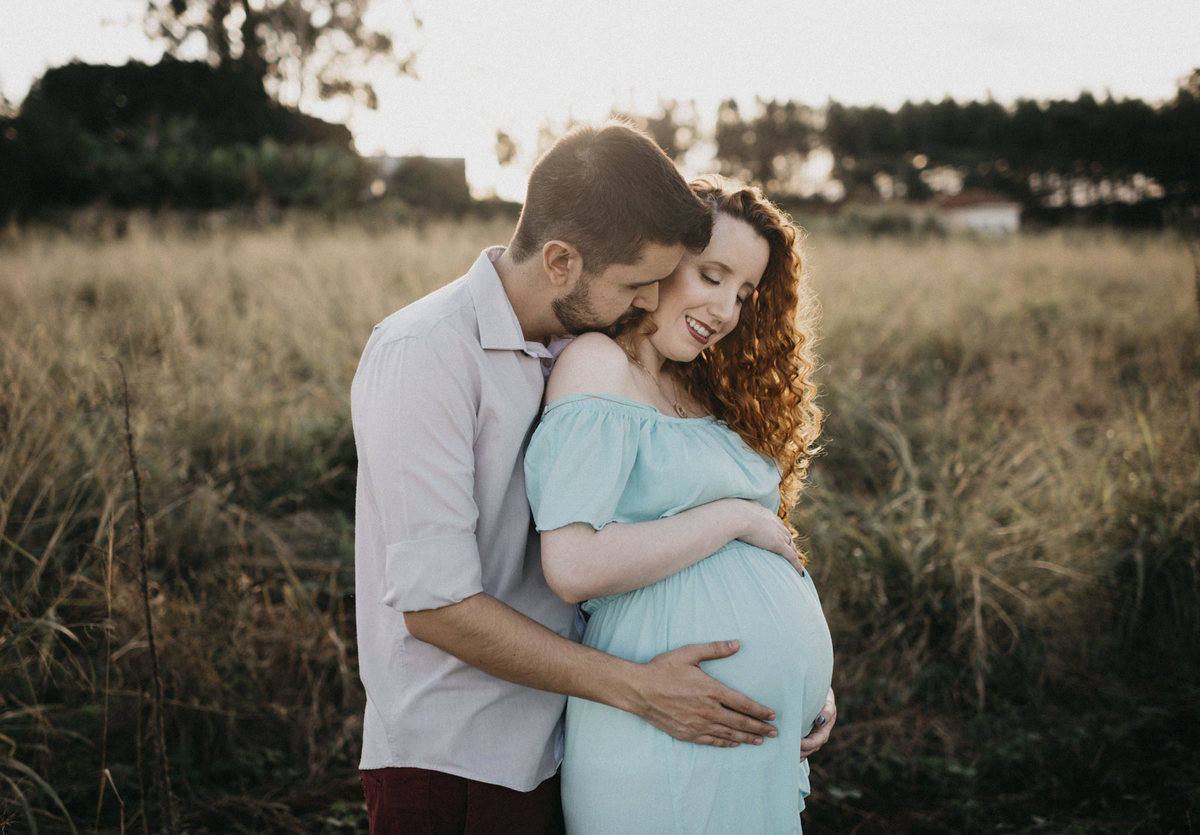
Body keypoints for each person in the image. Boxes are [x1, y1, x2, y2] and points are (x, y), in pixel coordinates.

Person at [351, 122, 836, 833]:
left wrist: (796, 674)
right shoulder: (426, 352)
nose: (646, 302)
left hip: (558, 732)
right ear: (560, 262)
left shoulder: (566, 343)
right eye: (638, 284)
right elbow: (437, 606)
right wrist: (639, 689)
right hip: (460, 753)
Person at [524, 176, 834, 833]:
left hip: (750, 738)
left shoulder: (700, 390)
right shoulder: (598, 363)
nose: (726, 310)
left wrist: (807, 683)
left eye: (744, 293)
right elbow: (574, 564)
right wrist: (736, 517)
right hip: (657, 737)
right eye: (711, 275)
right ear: (659, 260)